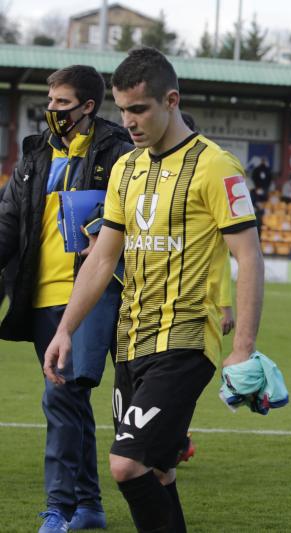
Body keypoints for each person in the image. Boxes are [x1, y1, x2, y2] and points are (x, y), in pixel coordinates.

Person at [42, 47, 264, 533]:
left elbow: (248, 256)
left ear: (171, 100)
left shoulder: (215, 166)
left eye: (139, 109)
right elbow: (102, 257)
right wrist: (65, 330)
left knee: (126, 464)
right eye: (122, 110)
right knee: (160, 471)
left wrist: (242, 349)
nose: (129, 121)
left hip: (185, 341)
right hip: (131, 340)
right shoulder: (127, 168)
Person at [0, 65, 132, 532]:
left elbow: (133, 217)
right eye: (50, 101)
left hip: (93, 297)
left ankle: (57, 509)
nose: (51, 110)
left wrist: (99, 230)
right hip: (40, 299)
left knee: (62, 396)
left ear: (88, 107)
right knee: (71, 402)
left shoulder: (119, 153)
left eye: (61, 103)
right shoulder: (35, 155)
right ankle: (89, 507)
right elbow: (9, 224)